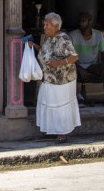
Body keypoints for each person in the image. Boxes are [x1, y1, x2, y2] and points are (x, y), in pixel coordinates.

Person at [31, 12, 80, 144]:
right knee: (46, 101)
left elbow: (74, 57)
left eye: (48, 25)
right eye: (44, 25)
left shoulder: (63, 38)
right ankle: (52, 130)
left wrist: (58, 63)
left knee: (59, 105)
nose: (45, 27)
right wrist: (34, 46)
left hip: (62, 80)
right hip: (49, 78)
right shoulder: (48, 38)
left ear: (56, 26)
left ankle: (62, 134)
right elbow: (46, 52)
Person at [68, 12, 104, 107]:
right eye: (79, 21)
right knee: (70, 67)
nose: (81, 23)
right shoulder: (72, 35)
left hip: (92, 66)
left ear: (90, 22)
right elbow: (69, 57)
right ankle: (79, 97)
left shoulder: (98, 35)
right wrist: (80, 69)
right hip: (77, 65)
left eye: (83, 21)